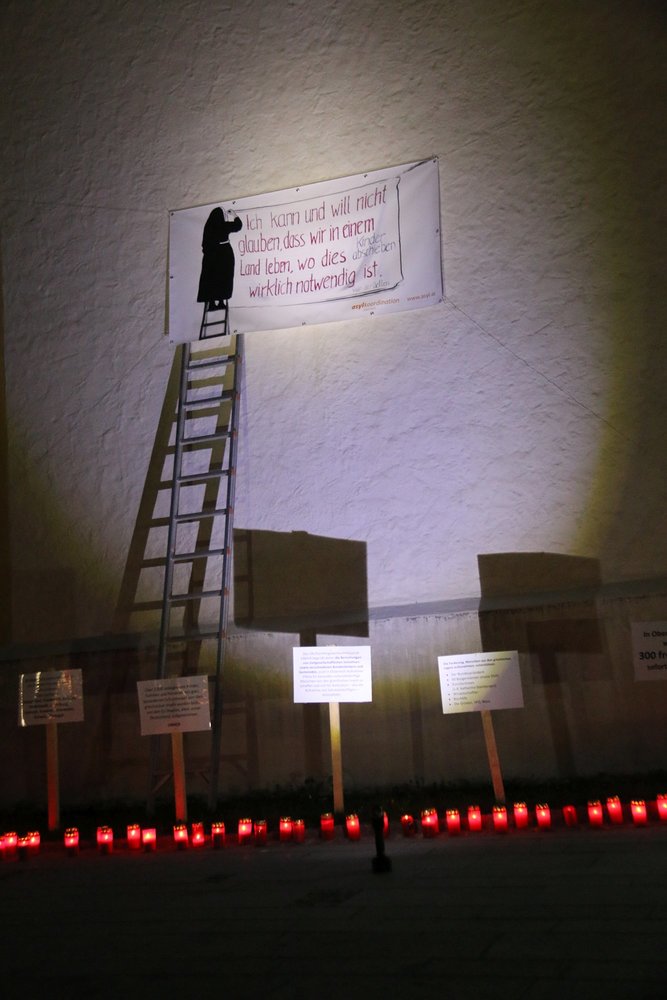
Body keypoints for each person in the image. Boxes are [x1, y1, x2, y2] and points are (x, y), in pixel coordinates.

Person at [197, 207, 243, 311]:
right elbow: (238, 226)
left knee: (212, 279)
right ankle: (221, 302)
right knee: (224, 278)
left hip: (210, 258)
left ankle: (212, 303)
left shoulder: (208, 227)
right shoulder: (223, 226)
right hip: (224, 255)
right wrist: (234, 214)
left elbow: (204, 245)